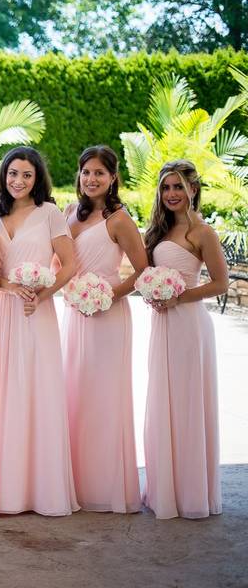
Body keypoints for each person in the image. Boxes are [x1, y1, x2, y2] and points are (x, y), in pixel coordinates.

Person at [0, 146, 79, 516]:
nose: (18, 181)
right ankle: (6, 489)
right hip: (2, 313)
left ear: (37, 178)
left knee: (37, 390)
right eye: (12, 174)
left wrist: (43, 294)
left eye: (26, 174)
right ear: (3, 177)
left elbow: (69, 265)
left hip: (35, 313)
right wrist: (9, 288)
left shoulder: (50, 214)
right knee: (3, 391)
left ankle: (41, 488)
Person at [62, 145, 147, 513]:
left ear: (113, 178)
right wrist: (69, 291)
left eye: (99, 172)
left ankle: (107, 488)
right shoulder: (69, 214)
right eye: (86, 172)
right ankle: (76, 484)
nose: (91, 179)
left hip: (108, 316)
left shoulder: (119, 219)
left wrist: (108, 296)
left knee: (104, 398)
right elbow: (60, 262)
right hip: (74, 313)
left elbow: (143, 271)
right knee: (74, 395)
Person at [142, 160, 227, 519]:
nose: (172, 194)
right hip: (162, 323)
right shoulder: (158, 230)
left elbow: (220, 284)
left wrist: (178, 297)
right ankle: (166, 489)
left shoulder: (203, 233)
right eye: (165, 188)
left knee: (188, 403)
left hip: (189, 325)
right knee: (164, 401)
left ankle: (192, 494)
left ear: (193, 190)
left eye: (178, 187)